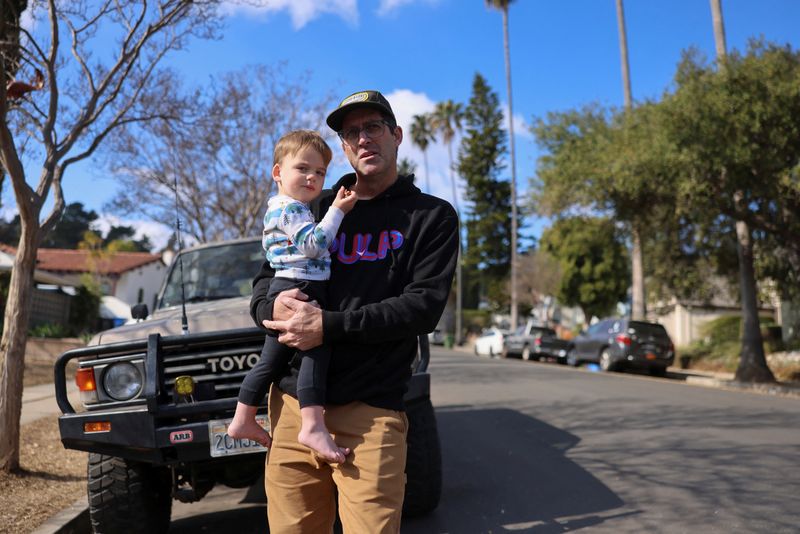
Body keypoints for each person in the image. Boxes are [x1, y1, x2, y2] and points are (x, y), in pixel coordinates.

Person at [250, 90, 459, 533]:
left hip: (372, 410)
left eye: (373, 127)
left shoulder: (431, 217)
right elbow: (265, 279)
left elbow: (421, 308)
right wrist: (272, 306)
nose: (363, 139)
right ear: (343, 147)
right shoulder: (315, 203)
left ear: (396, 135)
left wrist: (326, 326)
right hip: (293, 405)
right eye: (351, 133)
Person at [228, 129, 358, 463]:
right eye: (303, 168)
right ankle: (312, 425)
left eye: (320, 172)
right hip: (302, 288)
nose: (312, 177)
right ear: (277, 173)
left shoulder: (285, 208)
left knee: (271, 361)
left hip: (286, 286)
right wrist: (339, 211)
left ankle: (242, 419)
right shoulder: (291, 210)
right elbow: (314, 244)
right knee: (317, 348)